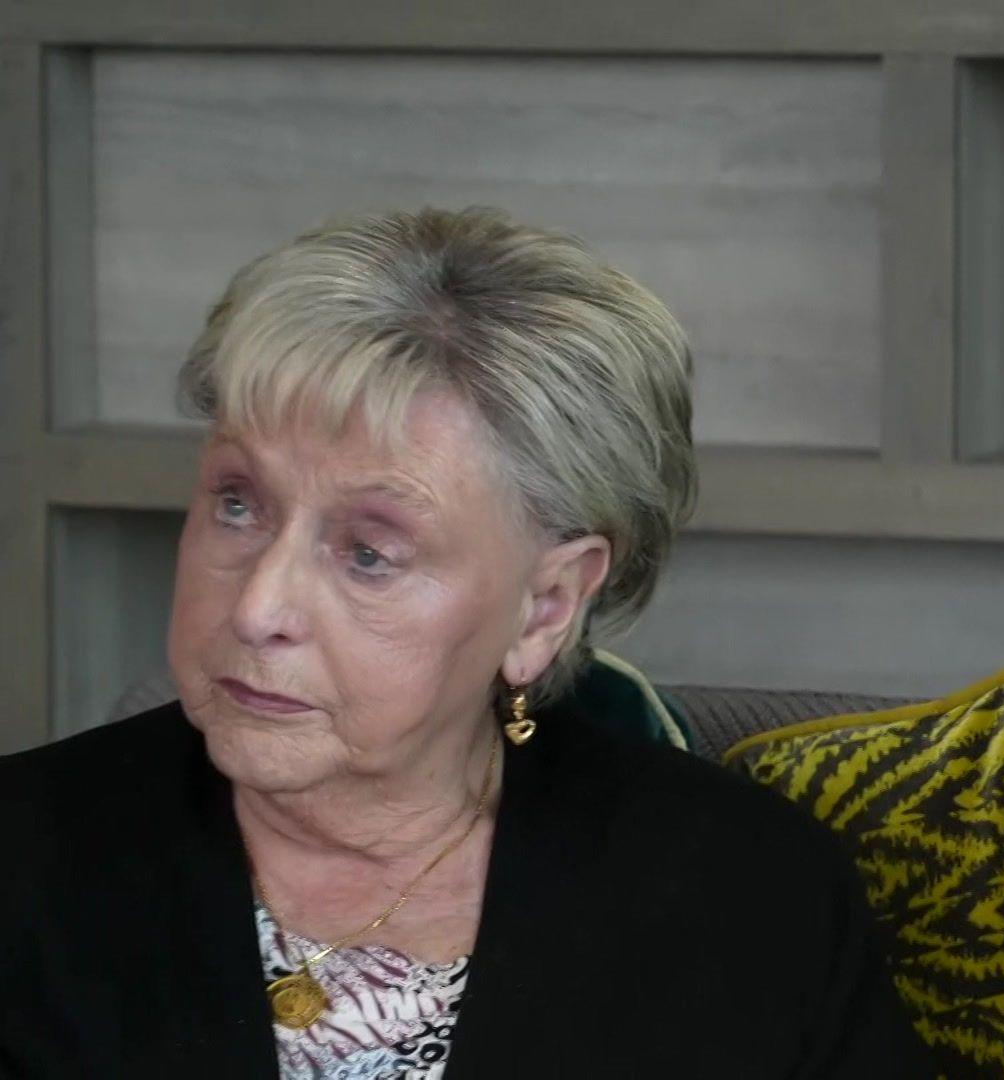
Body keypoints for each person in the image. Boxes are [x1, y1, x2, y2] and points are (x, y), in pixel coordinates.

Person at [0, 207, 925, 1078]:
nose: (257, 607)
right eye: (238, 505)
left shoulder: (746, 898)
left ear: (545, 607)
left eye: (369, 553)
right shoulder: (27, 855)